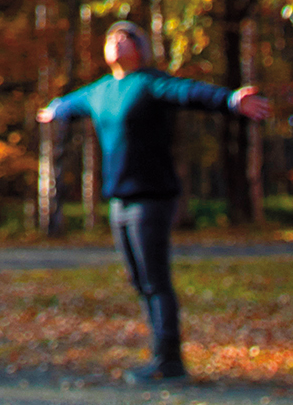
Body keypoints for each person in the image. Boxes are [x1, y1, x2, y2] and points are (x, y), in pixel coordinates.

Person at [39, 23, 275, 383]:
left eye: (125, 38)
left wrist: (230, 100)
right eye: (111, 39)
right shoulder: (101, 91)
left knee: (155, 279)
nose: (116, 43)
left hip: (152, 197)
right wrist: (56, 108)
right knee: (139, 280)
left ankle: (170, 361)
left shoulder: (149, 83)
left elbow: (189, 92)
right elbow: (73, 103)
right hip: (119, 200)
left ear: (140, 48)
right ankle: (161, 355)